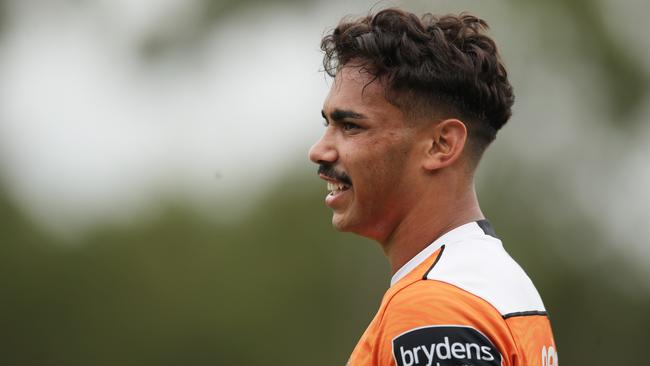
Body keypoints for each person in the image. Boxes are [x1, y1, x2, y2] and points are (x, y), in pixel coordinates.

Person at [308, 8, 558, 366]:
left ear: (441, 145)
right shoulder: (493, 281)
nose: (318, 151)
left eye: (350, 126)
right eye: (327, 124)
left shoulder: (435, 307)